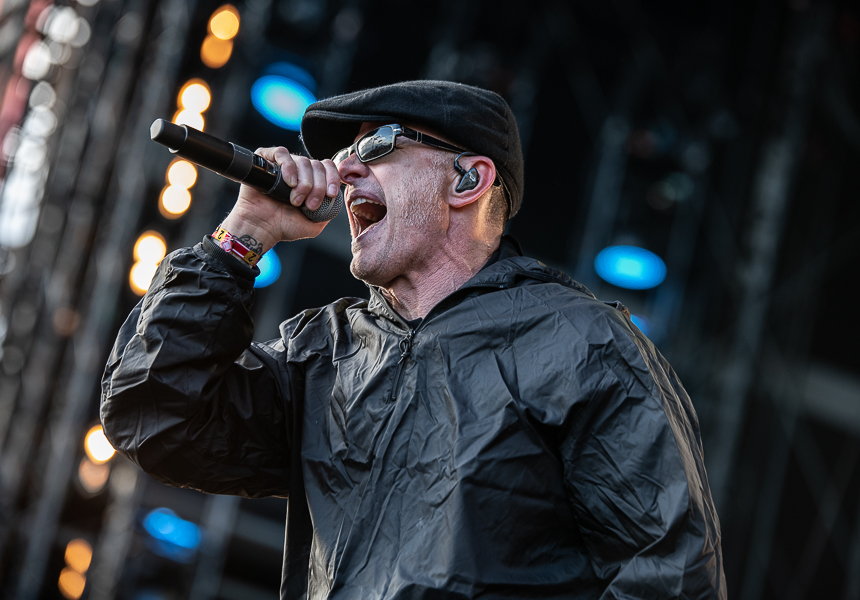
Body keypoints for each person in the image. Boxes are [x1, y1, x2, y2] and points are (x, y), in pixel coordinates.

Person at [101, 80, 726, 599]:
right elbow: (153, 416)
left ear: (467, 181)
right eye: (344, 155)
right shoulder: (323, 354)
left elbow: (668, 576)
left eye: (376, 145)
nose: (344, 170)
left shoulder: (579, 341)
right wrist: (244, 234)